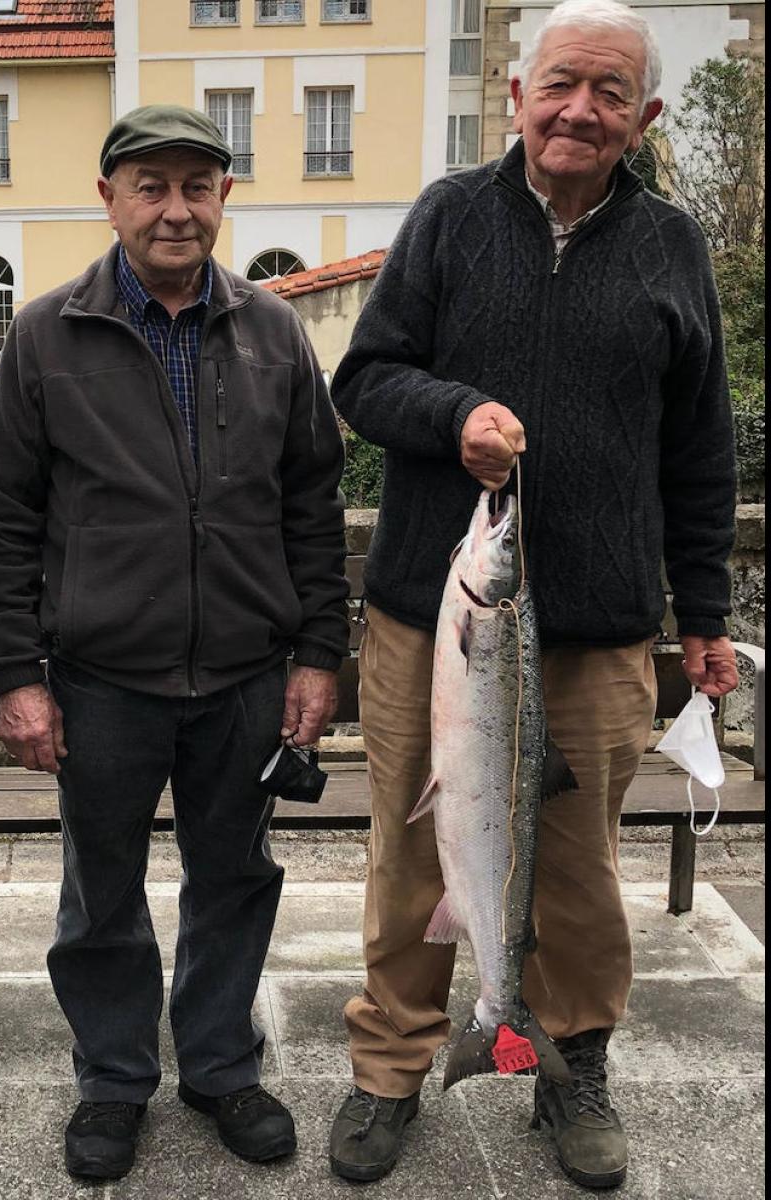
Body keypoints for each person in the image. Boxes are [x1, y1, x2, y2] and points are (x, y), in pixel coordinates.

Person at [325, 0, 739, 1190]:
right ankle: (392, 1066)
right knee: (418, 858)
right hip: (439, 622)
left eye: (610, 92)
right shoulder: (451, 218)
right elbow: (365, 380)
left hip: (603, 630)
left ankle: (571, 1061)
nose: (580, 110)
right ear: (517, 94)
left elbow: (700, 456)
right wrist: (453, 415)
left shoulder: (673, 247)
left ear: (644, 116)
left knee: (577, 867)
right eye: (562, 83)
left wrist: (702, 617)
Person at [0, 104, 350, 1181]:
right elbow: (2, 520)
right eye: (152, 185)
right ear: (111, 199)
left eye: (198, 184)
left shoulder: (274, 333)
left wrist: (319, 651)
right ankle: (114, 1078)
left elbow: (312, 506)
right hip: (101, 680)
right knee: (103, 891)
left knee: (235, 877)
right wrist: (17, 678)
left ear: (225, 197)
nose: (176, 207)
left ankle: (223, 1065)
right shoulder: (46, 336)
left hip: (243, 674)